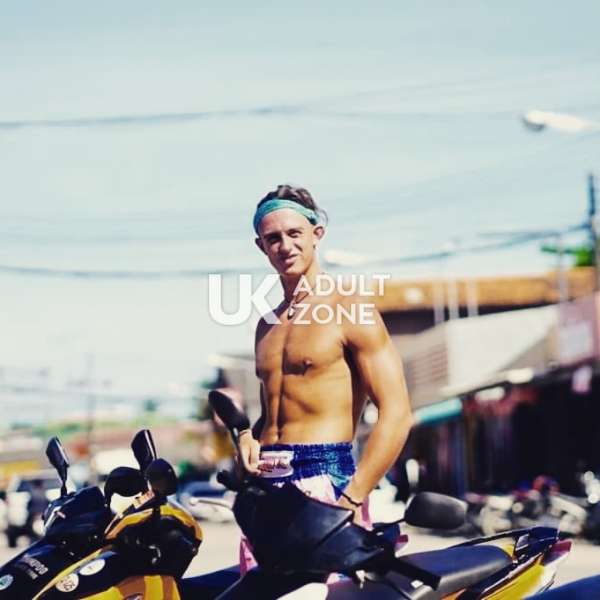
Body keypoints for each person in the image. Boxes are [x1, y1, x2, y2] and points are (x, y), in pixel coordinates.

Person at [237, 184, 413, 573]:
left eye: (294, 233)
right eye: (273, 238)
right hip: (266, 485)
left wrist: (352, 496)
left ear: (317, 234)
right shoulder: (266, 325)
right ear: (261, 247)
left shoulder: (350, 309)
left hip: (323, 476)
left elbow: (397, 413)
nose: (285, 246)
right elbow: (274, 411)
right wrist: (250, 438)